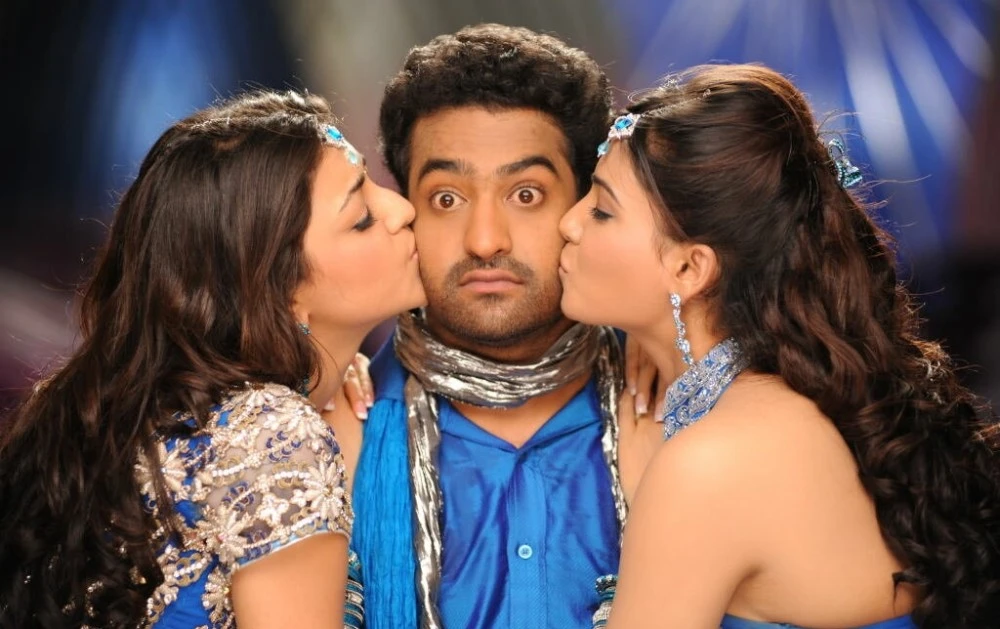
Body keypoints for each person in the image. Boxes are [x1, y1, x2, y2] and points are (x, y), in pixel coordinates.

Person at [559, 63, 1000, 628]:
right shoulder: (804, 393)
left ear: (691, 268)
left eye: (601, 210)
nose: (568, 224)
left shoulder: (713, 462)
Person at [0, 89, 426, 628]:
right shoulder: (272, 434)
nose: (403, 209)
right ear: (279, 294)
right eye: (361, 217)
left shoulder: (141, 418)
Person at [322, 23, 653, 629]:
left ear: (583, 207)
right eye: (446, 199)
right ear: (404, 212)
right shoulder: (337, 434)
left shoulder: (672, 411)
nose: (484, 241)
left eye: (526, 194)